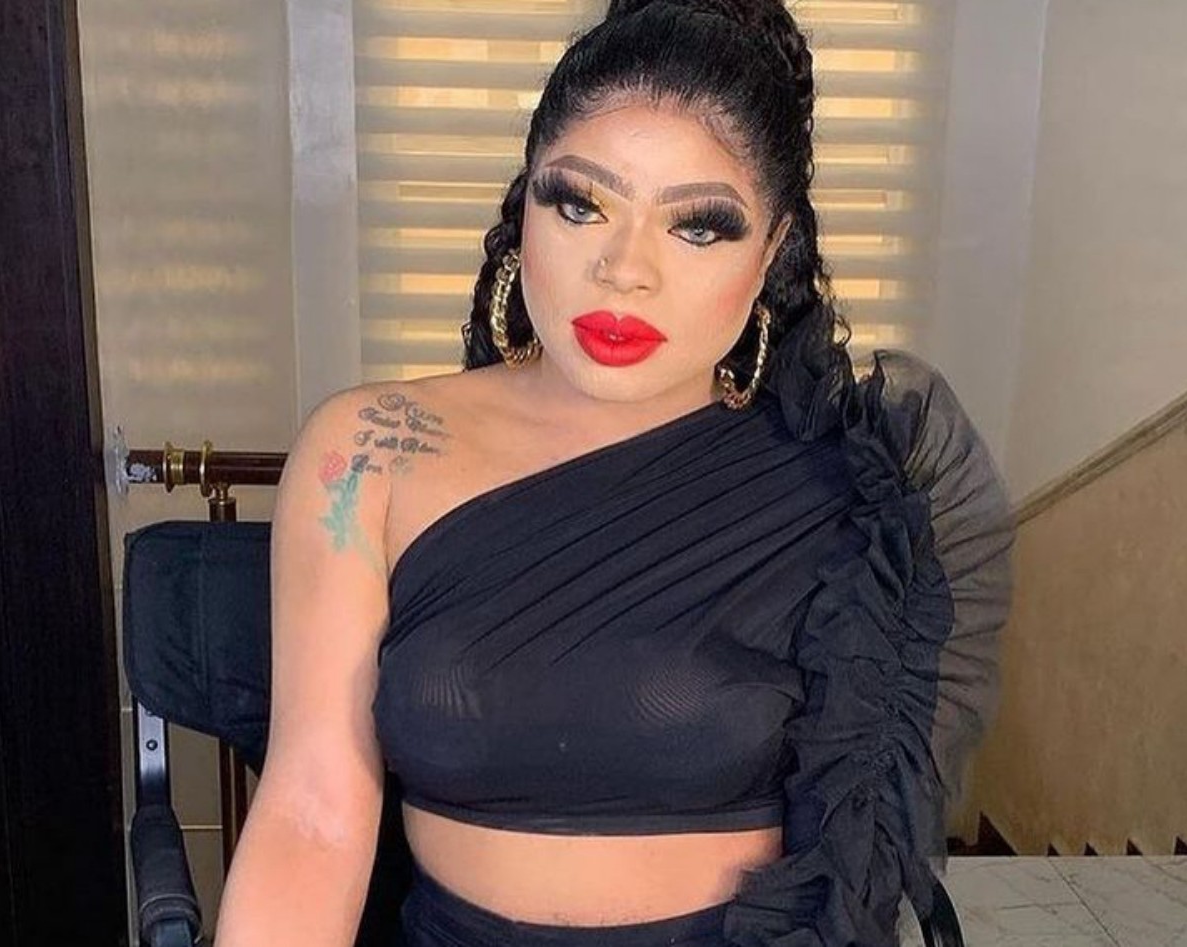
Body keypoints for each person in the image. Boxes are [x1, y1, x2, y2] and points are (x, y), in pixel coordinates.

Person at [216, 1, 1013, 945]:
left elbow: (855, 862)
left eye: (699, 227)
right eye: (580, 204)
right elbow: (310, 815)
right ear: (525, 206)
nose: (625, 269)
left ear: (772, 250)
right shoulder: (371, 449)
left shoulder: (847, 489)